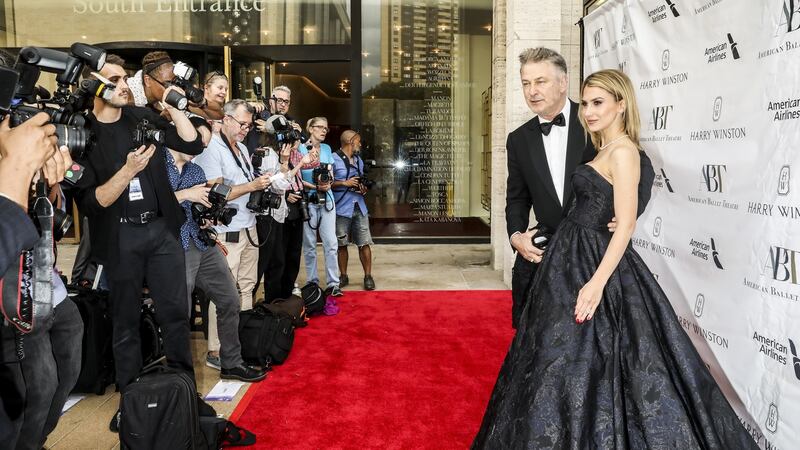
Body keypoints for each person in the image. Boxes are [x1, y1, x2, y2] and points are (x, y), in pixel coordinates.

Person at [472, 69, 758, 449]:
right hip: (568, 257)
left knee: (589, 358)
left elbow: (624, 227)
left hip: (595, 264)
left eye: (598, 103)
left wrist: (595, 283)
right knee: (551, 357)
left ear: (621, 105)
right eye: (586, 103)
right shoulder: (604, 147)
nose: (588, 112)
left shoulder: (623, 151)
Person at [74, 55, 206, 430]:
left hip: (161, 230)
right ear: (93, 87)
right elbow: (92, 201)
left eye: (123, 79)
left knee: (176, 315)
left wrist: (176, 103)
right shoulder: (83, 134)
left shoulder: (141, 117)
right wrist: (128, 171)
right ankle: (131, 402)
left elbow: (191, 143)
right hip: (120, 237)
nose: (122, 85)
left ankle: (186, 395)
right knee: (125, 322)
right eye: (113, 80)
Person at [504, 47, 653, 329]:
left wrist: (621, 216)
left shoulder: (594, 121)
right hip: (546, 251)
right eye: (526, 83)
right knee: (538, 334)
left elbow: (641, 169)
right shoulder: (518, 139)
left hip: (594, 251)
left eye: (540, 81)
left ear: (563, 83)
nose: (532, 91)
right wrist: (516, 236)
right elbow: (516, 199)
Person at [165, 146, 266, 382]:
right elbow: (150, 204)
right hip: (175, 245)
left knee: (230, 298)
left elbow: (198, 209)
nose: (199, 147)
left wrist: (207, 219)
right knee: (181, 310)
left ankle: (231, 362)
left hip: (202, 242)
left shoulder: (196, 170)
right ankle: (180, 378)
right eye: (196, 141)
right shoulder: (156, 166)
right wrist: (185, 195)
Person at [192, 99, 271, 370]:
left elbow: (241, 184)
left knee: (247, 287)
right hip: (227, 232)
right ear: (226, 119)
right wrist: (252, 185)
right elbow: (215, 191)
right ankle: (217, 349)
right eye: (241, 124)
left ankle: (243, 340)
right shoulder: (212, 148)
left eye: (248, 125)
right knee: (225, 292)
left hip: (248, 226)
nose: (245, 130)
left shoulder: (241, 149)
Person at [252, 140, 311, 302]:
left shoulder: (281, 155)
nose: (294, 142)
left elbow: (285, 180)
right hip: (265, 216)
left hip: (278, 214)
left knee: (278, 261)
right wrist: (285, 162)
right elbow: (279, 185)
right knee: (265, 264)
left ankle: (277, 303)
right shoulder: (267, 154)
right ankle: (261, 305)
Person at [296, 117, 342, 297]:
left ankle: (333, 283)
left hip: (327, 200)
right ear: (310, 128)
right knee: (309, 244)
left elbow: (330, 172)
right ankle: (312, 282)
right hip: (308, 200)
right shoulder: (299, 148)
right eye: (320, 127)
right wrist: (315, 187)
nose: (323, 130)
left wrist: (328, 182)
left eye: (326, 128)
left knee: (331, 242)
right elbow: (297, 177)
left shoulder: (327, 148)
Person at [331, 130, 376, 290]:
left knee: (364, 242)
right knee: (341, 244)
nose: (360, 144)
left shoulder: (359, 161)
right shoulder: (333, 159)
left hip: (359, 206)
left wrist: (362, 189)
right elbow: (326, 183)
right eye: (358, 141)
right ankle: (343, 275)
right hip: (342, 208)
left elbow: (360, 181)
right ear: (351, 141)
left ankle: (368, 276)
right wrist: (344, 183)